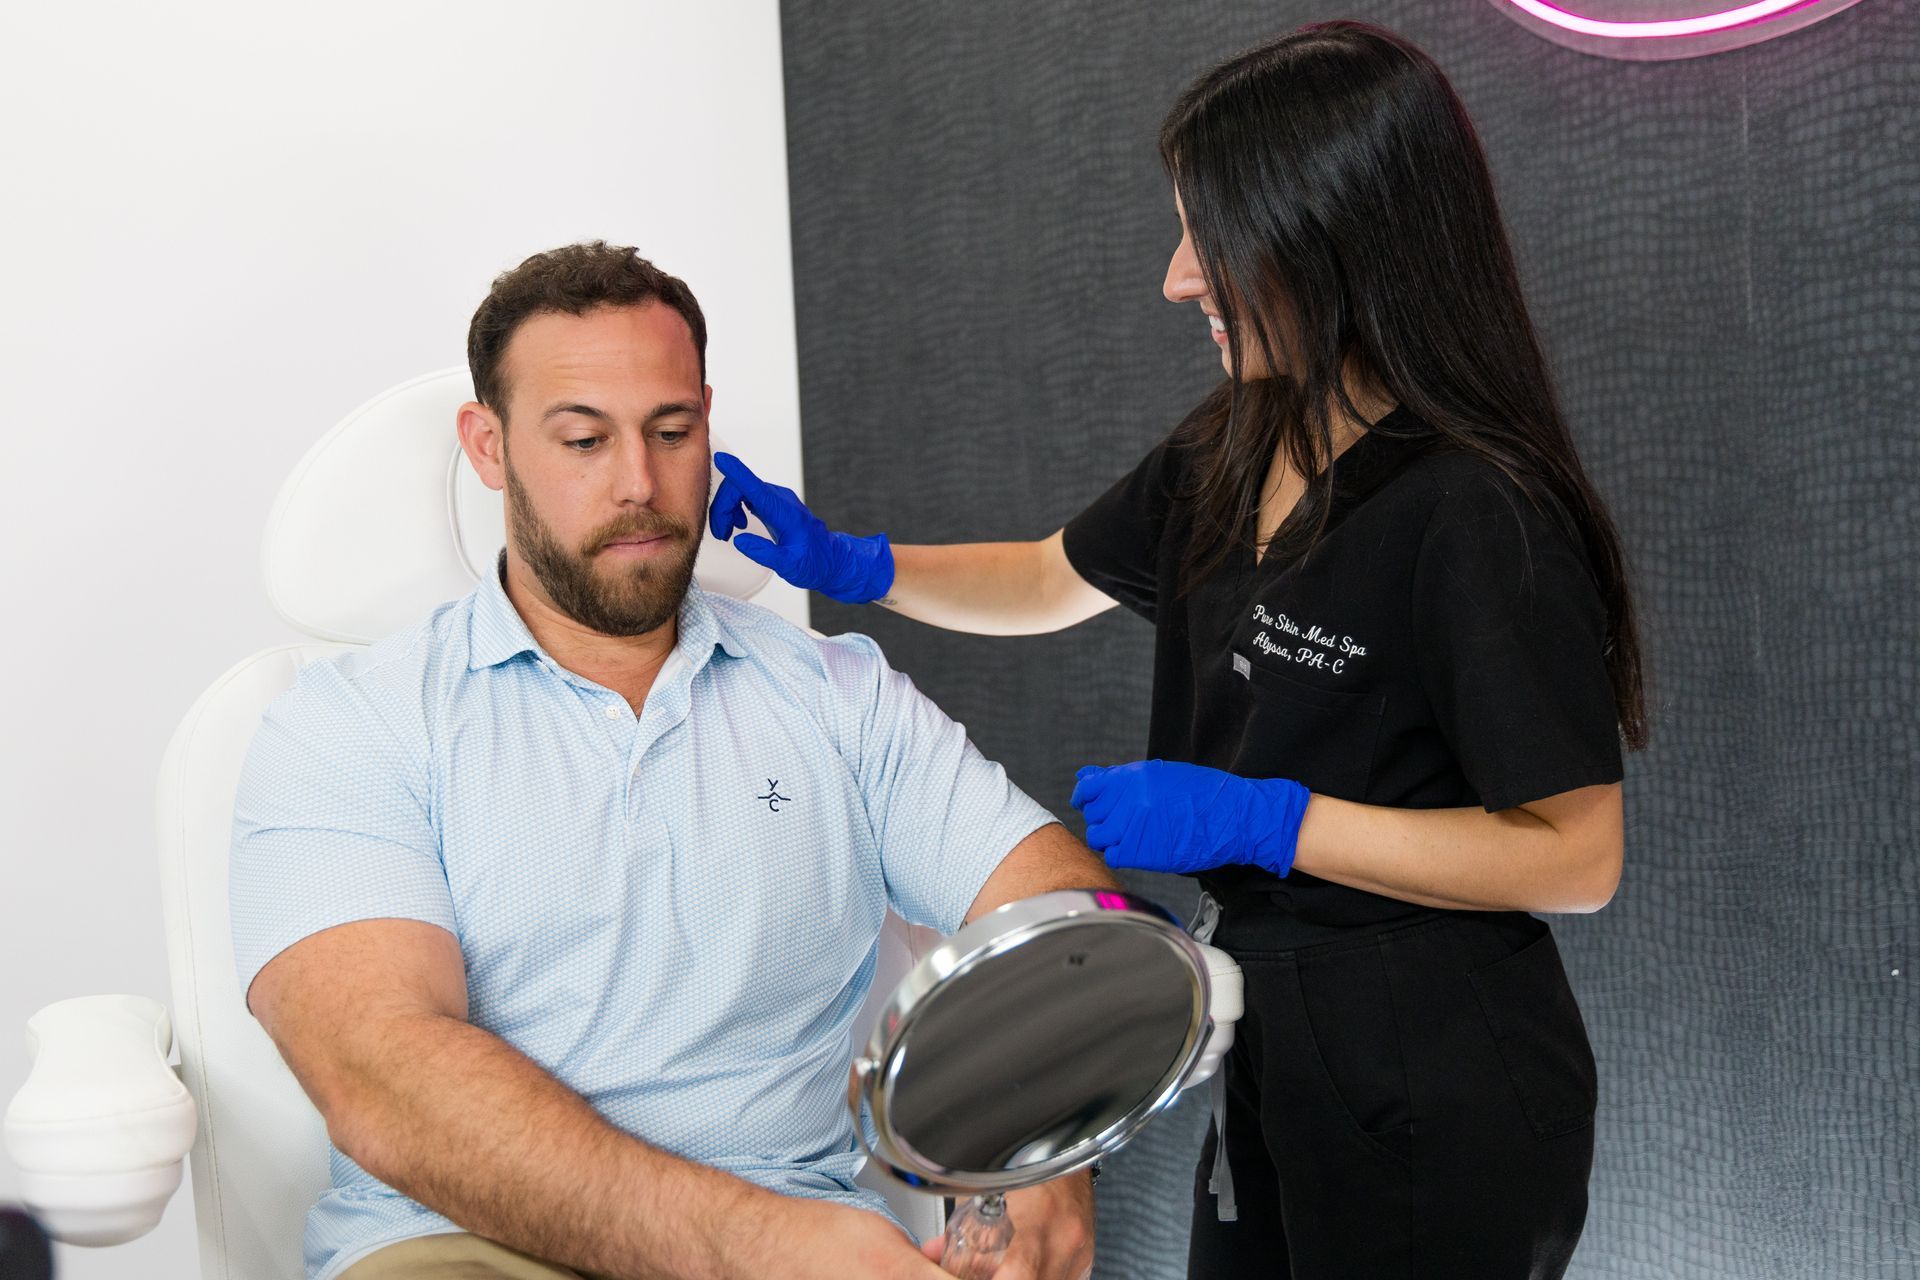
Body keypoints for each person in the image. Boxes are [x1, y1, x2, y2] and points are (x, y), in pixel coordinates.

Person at [707, 22, 1646, 1280]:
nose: (1177, 276)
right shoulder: (1237, 443)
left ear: (1330, 234)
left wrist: (1270, 819)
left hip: (1434, 1063)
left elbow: (1577, 856)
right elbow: (1050, 576)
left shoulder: (1473, 507)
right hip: (1271, 1036)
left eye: (1211, 235)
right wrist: (857, 568)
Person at [229, 242, 1134, 1280]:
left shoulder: (837, 692)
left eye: (673, 431)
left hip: (804, 1229)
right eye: (582, 439)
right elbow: (383, 1075)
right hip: (468, 1238)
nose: (640, 484)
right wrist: (745, 1240)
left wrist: (1047, 1153)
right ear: (489, 446)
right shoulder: (351, 724)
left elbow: (1057, 909)